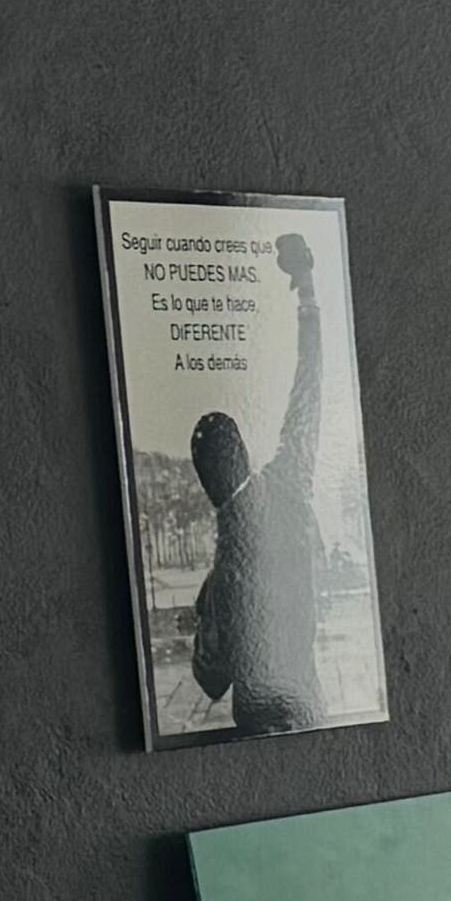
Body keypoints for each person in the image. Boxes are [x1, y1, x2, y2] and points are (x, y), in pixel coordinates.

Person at [187, 231, 327, 735]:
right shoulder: (289, 481)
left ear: (207, 483)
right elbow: (310, 382)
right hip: (308, 700)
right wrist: (306, 286)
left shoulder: (224, 575)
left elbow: (209, 678)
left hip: (256, 717)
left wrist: (201, 616)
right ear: (243, 451)